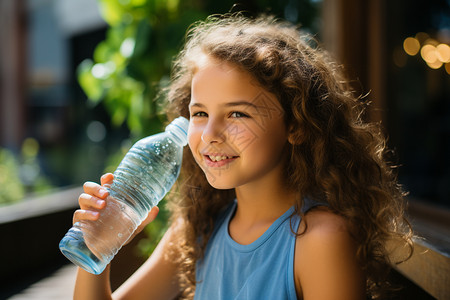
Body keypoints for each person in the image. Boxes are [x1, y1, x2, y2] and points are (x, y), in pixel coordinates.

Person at [72, 14, 413, 300]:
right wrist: (97, 251)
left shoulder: (322, 239)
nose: (209, 136)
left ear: (296, 125)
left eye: (237, 114)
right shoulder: (196, 230)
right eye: (199, 114)